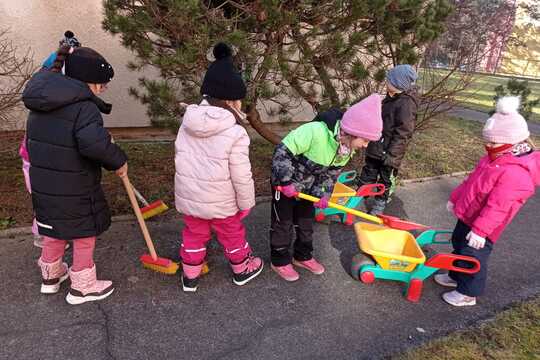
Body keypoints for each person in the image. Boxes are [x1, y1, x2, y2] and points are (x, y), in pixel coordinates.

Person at [22, 44, 127, 305]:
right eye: (100, 85)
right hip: (75, 184)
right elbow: (93, 144)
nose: (102, 90)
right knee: (83, 232)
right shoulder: (83, 108)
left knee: (54, 229)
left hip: (45, 183)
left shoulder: (40, 105)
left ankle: (51, 275)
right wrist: (118, 160)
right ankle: (82, 285)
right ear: (86, 82)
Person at [174, 43, 263, 292]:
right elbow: (241, 175)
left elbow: (181, 159)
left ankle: (190, 275)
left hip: (191, 198)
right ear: (232, 101)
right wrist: (246, 203)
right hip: (223, 203)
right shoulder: (235, 133)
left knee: (194, 233)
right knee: (232, 234)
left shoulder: (186, 124)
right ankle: (241, 268)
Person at [435, 96, 539, 306]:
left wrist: (481, 231)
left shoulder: (516, 173)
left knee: (473, 255)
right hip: (469, 214)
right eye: (487, 141)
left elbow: (499, 206)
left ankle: (467, 293)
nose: (488, 145)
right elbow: (471, 181)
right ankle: (456, 275)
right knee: (458, 243)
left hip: (485, 228)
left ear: (513, 142)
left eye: (493, 142)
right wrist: (456, 198)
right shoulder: (493, 158)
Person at [270, 94, 383, 281]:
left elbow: (330, 174)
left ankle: (302, 256)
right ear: (352, 131)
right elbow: (281, 153)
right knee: (283, 223)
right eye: (365, 140)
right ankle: (280, 261)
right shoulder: (314, 132)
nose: (365, 145)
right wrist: (286, 182)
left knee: (305, 223)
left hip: (307, 191)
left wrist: (323, 194)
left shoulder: (345, 149)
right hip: (285, 186)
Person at [356, 64, 418, 215]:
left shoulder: (406, 104)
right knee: (368, 171)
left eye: (389, 80)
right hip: (376, 145)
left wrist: (392, 155)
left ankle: (380, 202)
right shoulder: (388, 98)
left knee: (385, 178)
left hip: (390, 151)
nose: (386, 82)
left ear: (398, 84)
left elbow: (403, 132)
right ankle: (359, 196)